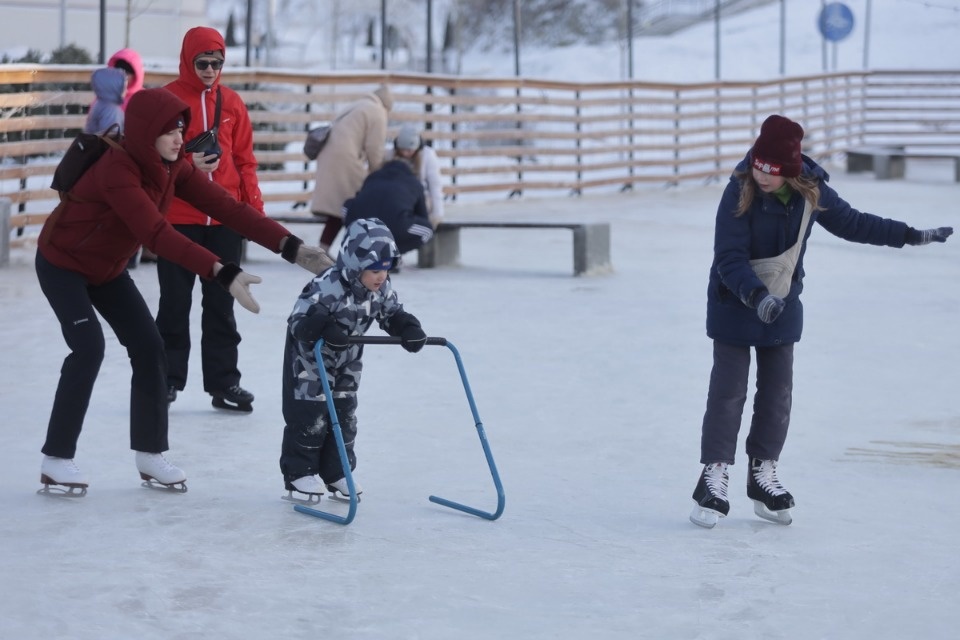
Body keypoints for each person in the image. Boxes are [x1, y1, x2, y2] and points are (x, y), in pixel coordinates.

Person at [35, 86, 332, 496]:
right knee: (88, 347)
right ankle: (56, 459)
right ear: (144, 134)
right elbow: (156, 234)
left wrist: (291, 247)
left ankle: (150, 454)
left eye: (181, 129)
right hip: (62, 263)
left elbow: (228, 208)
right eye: (168, 131)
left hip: (106, 270)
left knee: (150, 346)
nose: (180, 138)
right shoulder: (116, 171)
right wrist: (223, 273)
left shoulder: (172, 166)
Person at [690, 114, 954, 529]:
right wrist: (756, 297)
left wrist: (909, 235)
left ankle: (763, 474)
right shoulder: (737, 189)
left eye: (772, 171)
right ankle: (714, 475)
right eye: (759, 165)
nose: (761, 174)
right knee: (729, 392)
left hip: (783, 302)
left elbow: (854, 223)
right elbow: (729, 257)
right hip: (735, 300)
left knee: (777, 394)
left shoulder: (810, 192)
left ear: (791, 171)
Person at [279, 218, 427, 501]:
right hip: (310, 363)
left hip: (348, 361)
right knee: (311, 415)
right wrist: (324, 327)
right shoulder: (327, 285)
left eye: (385, 269)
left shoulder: (380, 288)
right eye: (373, 270)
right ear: (354, 265)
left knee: (344, 414)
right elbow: (298, 321)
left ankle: (337, 471)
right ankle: (299, 473)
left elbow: (391, 312)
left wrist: (407, 326)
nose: (381, 276)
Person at [157, 26, 264, 412]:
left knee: (222, 304)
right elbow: (148, 158)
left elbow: (246, 162)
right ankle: (166, 379)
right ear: (188, 60)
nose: (209, 70)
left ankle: (224, 383)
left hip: (224, 220)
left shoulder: (233, 104)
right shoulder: (166, 100)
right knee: (174, 302)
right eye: (202, 62)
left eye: (216, 63)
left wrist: (254, 214)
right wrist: (188, 162)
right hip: (178, 219)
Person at [308, 84, 393, 251]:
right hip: (346, 159)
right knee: (356, 205)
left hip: (329, 157)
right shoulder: (377, 112)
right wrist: (378, 175)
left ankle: (322, 250)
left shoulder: (357, 105)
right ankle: (365, 251)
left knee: (338, 208)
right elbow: (374, 149)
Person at [342, 157, 434, 257]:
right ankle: (391, 254)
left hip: (364, 225)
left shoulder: (372, 177)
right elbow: (423, 216)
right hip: (397, 224)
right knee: (427, 231)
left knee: (347, 207)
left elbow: (359, 198)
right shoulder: (414, 182)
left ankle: (368, 249)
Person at [385, 123, 445, 228]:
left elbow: (435, 186)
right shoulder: (390, 155)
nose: (405, 153)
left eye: (409, 150)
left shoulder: (427, 156)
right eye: (402, 149)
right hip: (397, 198)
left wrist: (437, 214)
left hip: (419, 198)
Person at [83, 67, 126, 135]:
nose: (126, 90)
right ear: (114, 87)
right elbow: (110, 138)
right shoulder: (111, 110)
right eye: (123, 87)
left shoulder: (101, 103)